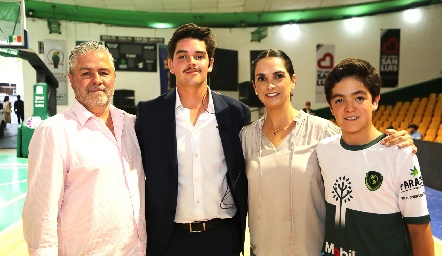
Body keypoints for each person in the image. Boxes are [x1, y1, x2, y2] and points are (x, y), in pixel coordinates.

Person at [240, 50, 416, 256]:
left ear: (293, 80)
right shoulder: (246, 136)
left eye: (278, 76)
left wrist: (399, 143)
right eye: (262, 79)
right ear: (255, 87)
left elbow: (362, 148)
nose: (270, 85)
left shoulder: (324, 131)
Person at [135, 23, 251, 256]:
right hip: (170, 240)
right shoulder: (149, 114)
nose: (191, 62)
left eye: (199, 56)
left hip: (223, 237)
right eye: (182, 56)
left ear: (210, 64)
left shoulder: (236, 112)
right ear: (170, 64)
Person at [22, 41, 146, 255]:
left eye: (104, 72)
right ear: (71, 80)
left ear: (114, 78)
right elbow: (41, 212)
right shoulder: (54, 131)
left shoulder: (133, 125)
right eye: (86, 73)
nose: (97, 80)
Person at [317, 58, 434, 255]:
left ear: (376, 101)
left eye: (359, 98)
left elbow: (419, 229)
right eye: (339, 100)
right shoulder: (323, 149)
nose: (349, 107)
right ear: (331, 108)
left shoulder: (400, 154)